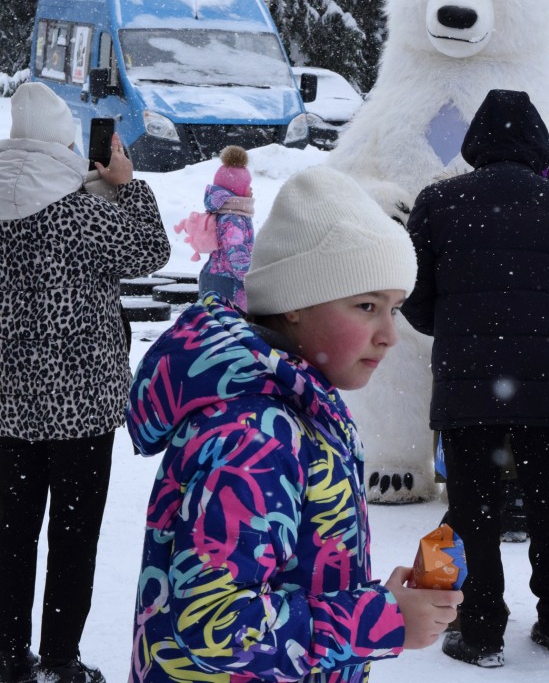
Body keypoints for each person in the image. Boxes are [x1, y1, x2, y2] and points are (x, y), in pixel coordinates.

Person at [125, 167, 462, 683]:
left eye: (394, 309)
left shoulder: (298, 404)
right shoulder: (255, 434)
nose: (389, 335)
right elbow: (215, 625)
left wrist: (372, 601)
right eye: (367, 306)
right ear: (294, 306)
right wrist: (379, 620)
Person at [401, 90, 549, 668]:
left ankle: (479, 631)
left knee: (473, 507)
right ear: (539, 143)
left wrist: (457, 327)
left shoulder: (438, 203)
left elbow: (414, 298)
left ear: (475, 142)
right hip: (541, 385)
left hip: (466, 385)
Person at [0, 82, 171, 683]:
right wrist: (127, 185)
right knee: (73, 536)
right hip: (82, 407)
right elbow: (152, 248)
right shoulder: (82, 216)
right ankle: (58, 659)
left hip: (7, 406)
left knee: (11, 534)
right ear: (64, 143)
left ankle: (7, 655)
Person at [197, 144, 255, 311]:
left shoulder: (226, 213)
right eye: (248, 185)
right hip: (226, 283)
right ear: (237, 189)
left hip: (217, 278)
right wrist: (253, 279)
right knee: (228, 323)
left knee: (214, 322)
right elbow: (236, 253)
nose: (251, 189)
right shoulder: (233, 219)